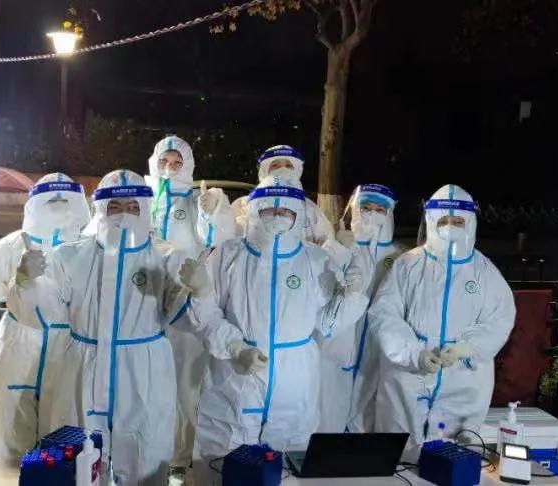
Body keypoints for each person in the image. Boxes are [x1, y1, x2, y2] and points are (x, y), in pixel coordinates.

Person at [178, 177, 368, 485]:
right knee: (222, 461)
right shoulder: (228, 254)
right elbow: (206, 316)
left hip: (294, 381)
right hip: (234, 378)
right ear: (255, 211)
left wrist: (352, 298)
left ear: (298, 215)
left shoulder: (315, 259)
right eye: (269, 210)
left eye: (286, 211)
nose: (278, 216)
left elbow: (328, 324)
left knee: (286, 465)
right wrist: (236, 346)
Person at [6, 169, 186, 485]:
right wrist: (26, 282)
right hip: (81, 369)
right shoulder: (70, 256)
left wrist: (195, 292)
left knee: (144, 453)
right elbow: (43, 313)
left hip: (143, 371)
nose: (123, 215)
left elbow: (185, 318)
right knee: (77, 457)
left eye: (133, 207)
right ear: (100, 210)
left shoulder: (166, 258)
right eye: (114, 207)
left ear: (145, 209)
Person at [0, 173, 90, 462]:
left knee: (64, 427)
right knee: (10, 416)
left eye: (65, 200)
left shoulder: (87, 247)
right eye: (51, 199)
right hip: (20, 341)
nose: (58, 204)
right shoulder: (16, 244)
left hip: (68, 343)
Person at [369, 184, 516, 461]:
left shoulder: (485, 273)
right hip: (407, 378)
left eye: (458, 221)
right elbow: (384, 315)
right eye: (443, 221)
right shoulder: (407, 265)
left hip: (463, 381)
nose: (450, 227)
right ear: (431, 221)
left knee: (452, 460)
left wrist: (467, 348)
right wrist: (414, 354)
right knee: (397, 457)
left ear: (470, 222)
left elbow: (500, 320)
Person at [142, 135, 236, 471]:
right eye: (164, 161)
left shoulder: (197, 201)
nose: (169, 168)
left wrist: (213, 213)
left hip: (186, 306)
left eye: (177, 163)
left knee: (187, 385)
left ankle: (181, 460)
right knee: (146, 384)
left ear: (188, 166)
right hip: (143, 306)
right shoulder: (141, 199)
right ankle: (147, 456)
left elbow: (217, 240)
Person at [317, 184, 407, 434]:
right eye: (365, 207)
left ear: (389, 215)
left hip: (374, 349)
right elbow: (319, 289)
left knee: (367, 417)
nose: (372, 214)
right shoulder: (338, 245)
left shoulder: (399, 257)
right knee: (327, 416)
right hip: (336, 348)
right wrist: (337, 250)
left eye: (380, 209)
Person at [231, 145, 335, 245]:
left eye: (288, 166)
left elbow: (327, 243)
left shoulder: (310, 208)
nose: (282, 169)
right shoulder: (242, 204)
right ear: (264, 171)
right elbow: (229, 241)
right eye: (275, 166)